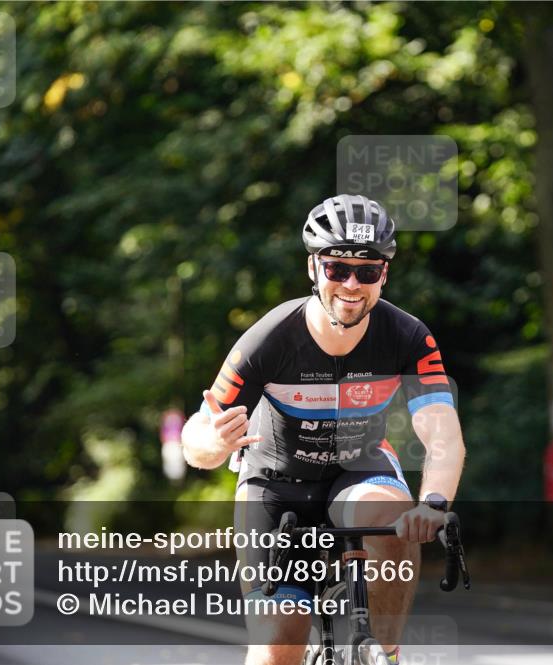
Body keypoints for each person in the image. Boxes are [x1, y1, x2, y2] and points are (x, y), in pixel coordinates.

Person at [182, 194, 466, 665]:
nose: (352, 284)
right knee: (279, 645)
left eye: (368, 271)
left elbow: (443, 435)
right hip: (275, 483)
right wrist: (213, 442)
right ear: (314, 269)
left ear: (384, 275)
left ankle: (386, 654)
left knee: (394, 522)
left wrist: (434, 504)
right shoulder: (269, 339)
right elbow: (197, 438)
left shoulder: (409, 336)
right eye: (337, 269)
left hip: (358, 471)